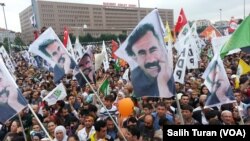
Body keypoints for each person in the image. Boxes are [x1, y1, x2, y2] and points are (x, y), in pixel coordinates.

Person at [125, 23, 175, 97]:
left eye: (153, 50)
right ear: (135, 59)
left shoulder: (174, 77)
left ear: (161, 49)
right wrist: (162, 84)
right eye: (142, 53)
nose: (151, 60)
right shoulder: (137, 83)